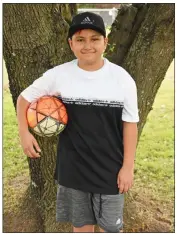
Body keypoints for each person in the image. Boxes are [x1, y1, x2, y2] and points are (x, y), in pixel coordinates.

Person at [17, 11, 139, 233]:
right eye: (80, 39)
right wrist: (24, 133)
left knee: (111, 229)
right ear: (70, 43)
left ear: (105, 42)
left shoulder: (122, 79)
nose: (87, 46)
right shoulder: (59, 75)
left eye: (95, 39)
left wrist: (128, 167)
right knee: (81, 228)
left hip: (110, 170)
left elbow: (130, 125)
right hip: (73, 170)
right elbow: (23, 99)